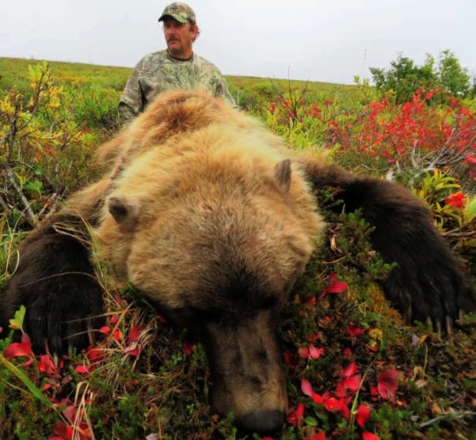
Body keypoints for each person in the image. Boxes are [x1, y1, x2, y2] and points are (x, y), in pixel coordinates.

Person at [118, 2, 235, 125]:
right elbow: (127, 108)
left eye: (178, 26)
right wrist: (138, 140)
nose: (171, 32)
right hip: (155, 141)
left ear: (193, 31)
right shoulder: (147, 64)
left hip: (203, 141)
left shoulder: (211, 72)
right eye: (167, 26)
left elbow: (231, 114)